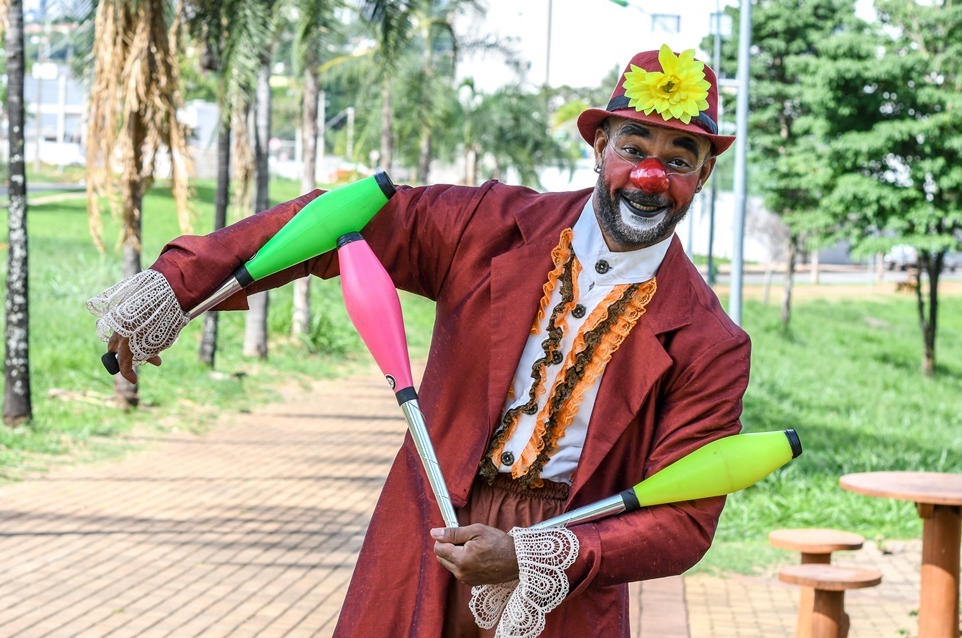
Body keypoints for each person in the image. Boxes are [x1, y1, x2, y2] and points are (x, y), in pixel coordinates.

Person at [88, 45, 749, 638]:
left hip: (560, 577)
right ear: (599, 146)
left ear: (703, 178)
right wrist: (177, 289)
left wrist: (532, 555)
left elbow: (683, 520)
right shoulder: (488, 223)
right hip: (427, 527)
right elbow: (335, 225)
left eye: (677, 161)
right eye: (635, 149)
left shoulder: (710, 342)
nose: (650, 176)